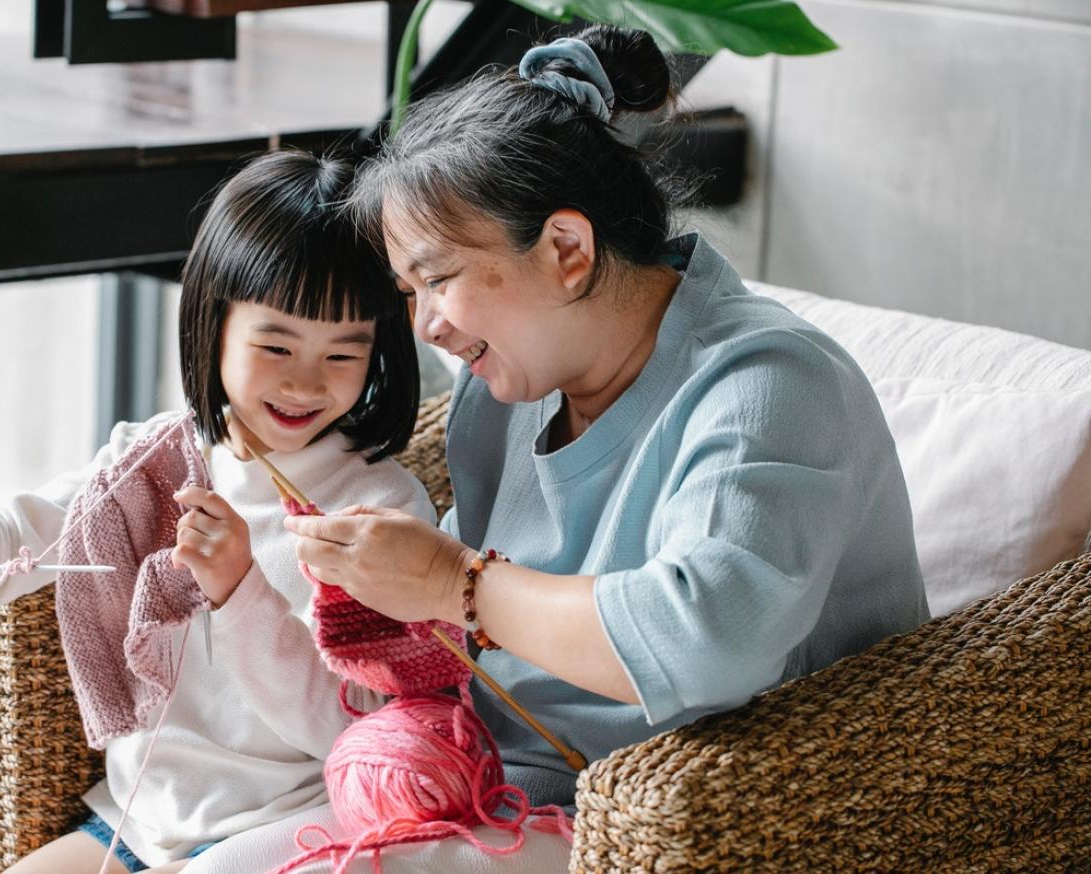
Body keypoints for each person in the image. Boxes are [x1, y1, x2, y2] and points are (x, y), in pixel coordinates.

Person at [195, 24, 930, 873]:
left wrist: (451, 582)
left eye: (438, 280)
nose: (426, 324)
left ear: (567, 251)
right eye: (409, 291)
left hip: (684, 817)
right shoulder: (505, 391)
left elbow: (707, 640)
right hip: (492, 785)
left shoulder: (771, 385)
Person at [0, 149, 435, 873]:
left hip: (291, 828)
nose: (306, 382)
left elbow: (352, 724)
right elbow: (31, 530)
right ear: (213, 325)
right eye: (276, 345)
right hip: (138, 823)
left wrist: (242, 591)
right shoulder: (151, 463)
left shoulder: (379, 511)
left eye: (343, 355)